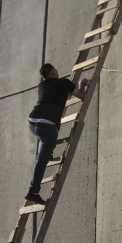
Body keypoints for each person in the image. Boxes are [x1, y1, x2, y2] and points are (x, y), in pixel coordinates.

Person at [26, 64, 88, 205]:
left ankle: (49, 154)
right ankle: (33, 191)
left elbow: (55, 95)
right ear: (54, 72)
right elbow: (81, 95)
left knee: (45, 146)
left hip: (33, 122)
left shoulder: (42, 86)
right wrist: (82, 84)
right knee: (42, 159)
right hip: (47, 126)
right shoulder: (63, 83)